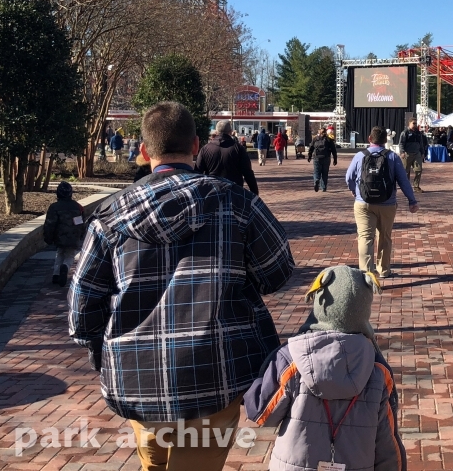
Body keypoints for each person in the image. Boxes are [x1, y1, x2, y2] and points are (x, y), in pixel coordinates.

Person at [69, 101, 295, 471]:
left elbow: (82, 312)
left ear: (144, 152)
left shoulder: (108, 217)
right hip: (216, 371)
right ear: (195, 146)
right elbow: (278, 271)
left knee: (154, 465)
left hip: (137, 375)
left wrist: (102, 351)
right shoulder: (236, 203)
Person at [243, 265, 407, 471]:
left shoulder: (290, 358)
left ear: (320, 303)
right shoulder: (377, 370)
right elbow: (387, 439)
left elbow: (262, 413)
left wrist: (259, 379)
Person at [345, 126, 418, 279]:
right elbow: (403, 181)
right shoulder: (392, 157)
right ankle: (384, 270)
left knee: (365, 237)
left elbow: (348, 178)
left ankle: (366, 274)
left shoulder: (359, 155)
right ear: (386, 141)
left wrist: (354, 190)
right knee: (384, 237)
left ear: (369, 139)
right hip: (387, 204)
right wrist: (412, 200)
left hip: (363, 202)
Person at [195, 120, 260, 194]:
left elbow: (197, 172)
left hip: (212, 193)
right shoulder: (238, 149)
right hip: (234, 193)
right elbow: (248, 173)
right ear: (230, 132)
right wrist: (254, 192)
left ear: (216, 132)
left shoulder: (205, 149)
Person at [43, 181, 85, 287]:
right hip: (73, 236)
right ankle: (65, 266)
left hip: (59, 237)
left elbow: (50, 224)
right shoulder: (77, 207)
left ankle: (56, 274)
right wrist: (80, 235)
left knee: (60, 252)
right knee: (70, 255)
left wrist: (48, 238)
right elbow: (80, 222)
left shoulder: (54, 207)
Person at [397, 120, 427, 193]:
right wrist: (402, 152)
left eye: (416, 123)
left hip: (417, 154)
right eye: (413, 123)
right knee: (406, 171)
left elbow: (421, 144)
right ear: (409, 123)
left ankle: (416, 186)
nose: (415, 125)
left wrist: (423, 153)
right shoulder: (405, 133)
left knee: (418, 170)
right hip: (407, 154)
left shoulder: (418, 133)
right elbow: (401, 143)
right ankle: (406, 187)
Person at [307, 127, 338, 192]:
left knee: (316, 171)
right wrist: (335, 159)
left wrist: (309, 156)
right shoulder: (329, 140)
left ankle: (316, 180)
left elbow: (311, 148)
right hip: (326, 158)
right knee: (325, 173)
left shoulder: (315, 139)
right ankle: (323, 187)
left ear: (319, 132)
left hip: (316, 158)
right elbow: (334, 150)